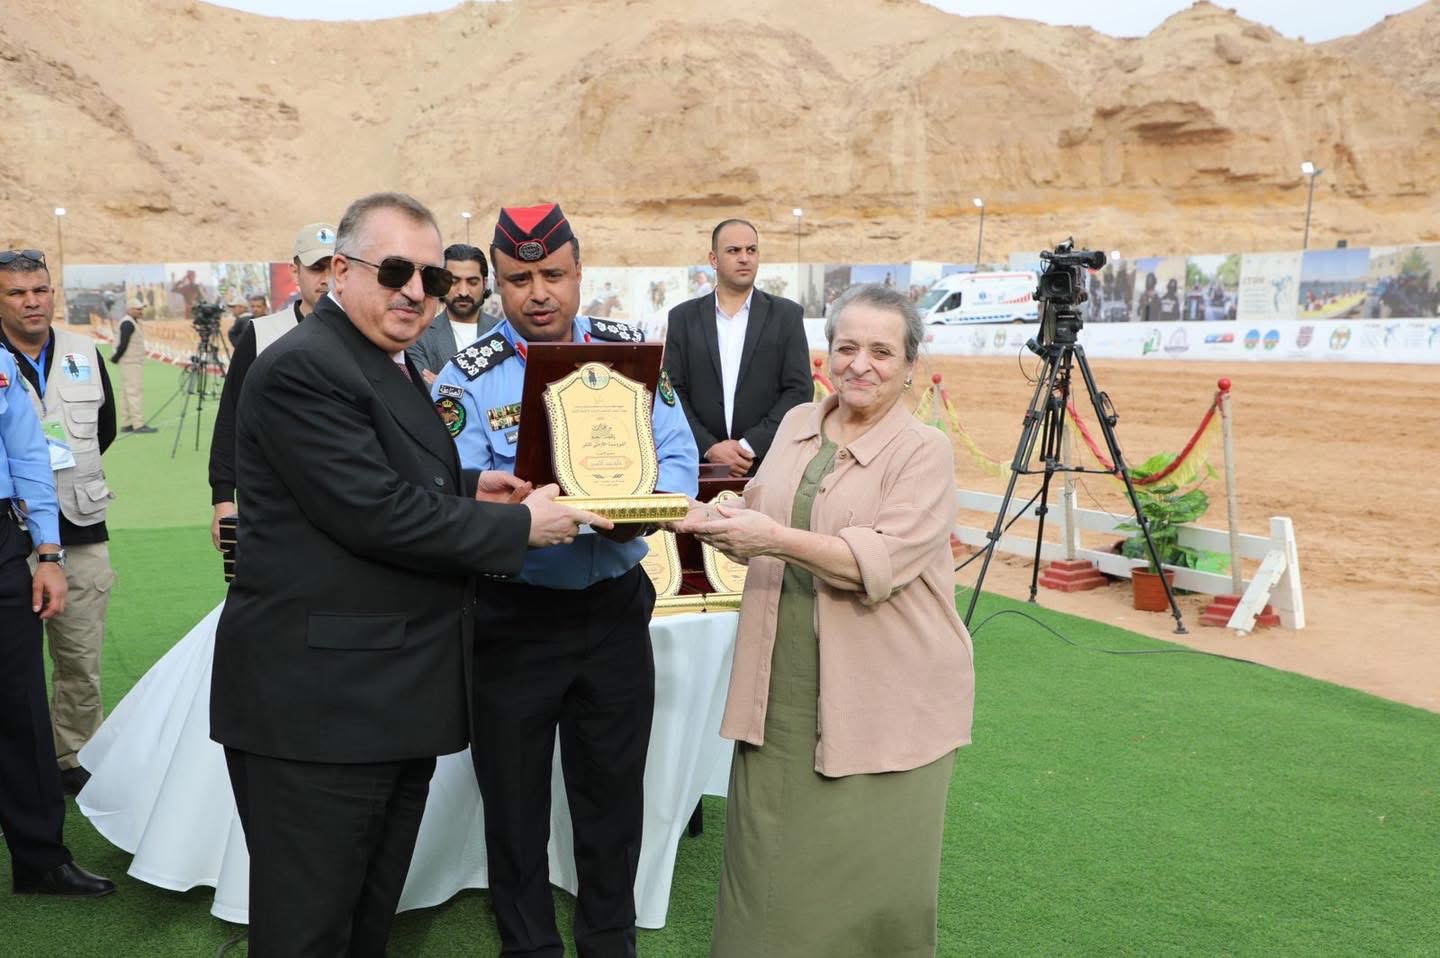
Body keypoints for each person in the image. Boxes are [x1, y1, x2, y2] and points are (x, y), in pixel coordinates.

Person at [209, 192, 605, 957]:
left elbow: (390, 478)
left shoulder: (380, 361)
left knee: (363, 924)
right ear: (340, 271)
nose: (416, 291)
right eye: (395, 271)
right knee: (308, 931)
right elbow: (375, 512)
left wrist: (470, 488)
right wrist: (520, 527)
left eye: (432, 276)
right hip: (321, 711)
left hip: (382, 700)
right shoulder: (305, 367)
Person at [431, 202, 698, 958]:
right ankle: (529, 946)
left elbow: (678, 457)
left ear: (580, 273)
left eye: (553, 274)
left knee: (612, 794)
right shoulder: (467, 376)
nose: (538, 293)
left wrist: (642, 512)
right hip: (512, 614)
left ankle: (609, 941)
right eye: (519, 280)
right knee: (513, 803)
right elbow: (449, 491)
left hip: (613, 608)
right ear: (496, 285)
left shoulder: (630, 359)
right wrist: (510, 509)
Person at [676, 283, 975, 958]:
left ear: (910, 365)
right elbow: (759, 510)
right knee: (764, 873)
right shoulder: (795, 424)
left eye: (881, 351)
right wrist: (700, 516)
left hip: (888, 698)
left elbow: (881, 562)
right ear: (827, 353)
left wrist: (771, 538)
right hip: (781, 694)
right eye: (846, 347)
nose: (859, 365)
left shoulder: (923, 450)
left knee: (869, 884)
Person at [0, 248, 118, 796]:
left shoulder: (83, 351)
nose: (32, 302)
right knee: (12, 667)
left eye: (40, 290)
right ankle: (19, 765)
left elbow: (105, 428)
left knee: (80, 660)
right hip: (12, 536)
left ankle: (74, 755)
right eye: (17, 293)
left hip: (81, 527)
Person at [1, 340, 115, 897]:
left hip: (7, 539)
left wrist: (48, 551)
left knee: (21, 708)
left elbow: (27, 454)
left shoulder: (2, 364)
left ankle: (41, 858)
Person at [207, 222, 334, 552]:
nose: (326, 279)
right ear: (295, 271)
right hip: (271, 507)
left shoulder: (365, 335)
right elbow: (230, 416)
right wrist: (223, 498)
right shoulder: (260, 333)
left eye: (334, 267)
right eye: (316, 268)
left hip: (344, 504)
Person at [663, 219, 811, 477]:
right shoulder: (683, 319)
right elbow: (672, 393)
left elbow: (799, 390)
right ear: (713, 259)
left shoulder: (786, 316)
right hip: (698, 469)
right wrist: (709, 447)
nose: (744, 258)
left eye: (751, 250)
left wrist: (749, 446)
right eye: (734, 250)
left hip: (766, 468)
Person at [405, 242, 498, 382]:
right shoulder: (419, 337)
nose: (463, 292)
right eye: (454, 282)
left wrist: (445, 383)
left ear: (485, 284)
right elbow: (424, 390)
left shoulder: (504, 333)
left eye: (472, 282)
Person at [111, 297, 153, 432]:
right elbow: (123, 343)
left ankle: (127, 422)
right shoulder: (128, 324)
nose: (141, 311)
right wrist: (116, 357)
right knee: (134, 393)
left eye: (141, 309)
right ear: (130, 310)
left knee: (126, 393)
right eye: (138, 309)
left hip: (129, 362)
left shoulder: (130, 322)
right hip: (131, 362)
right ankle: (138, 424)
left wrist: (116, 358)